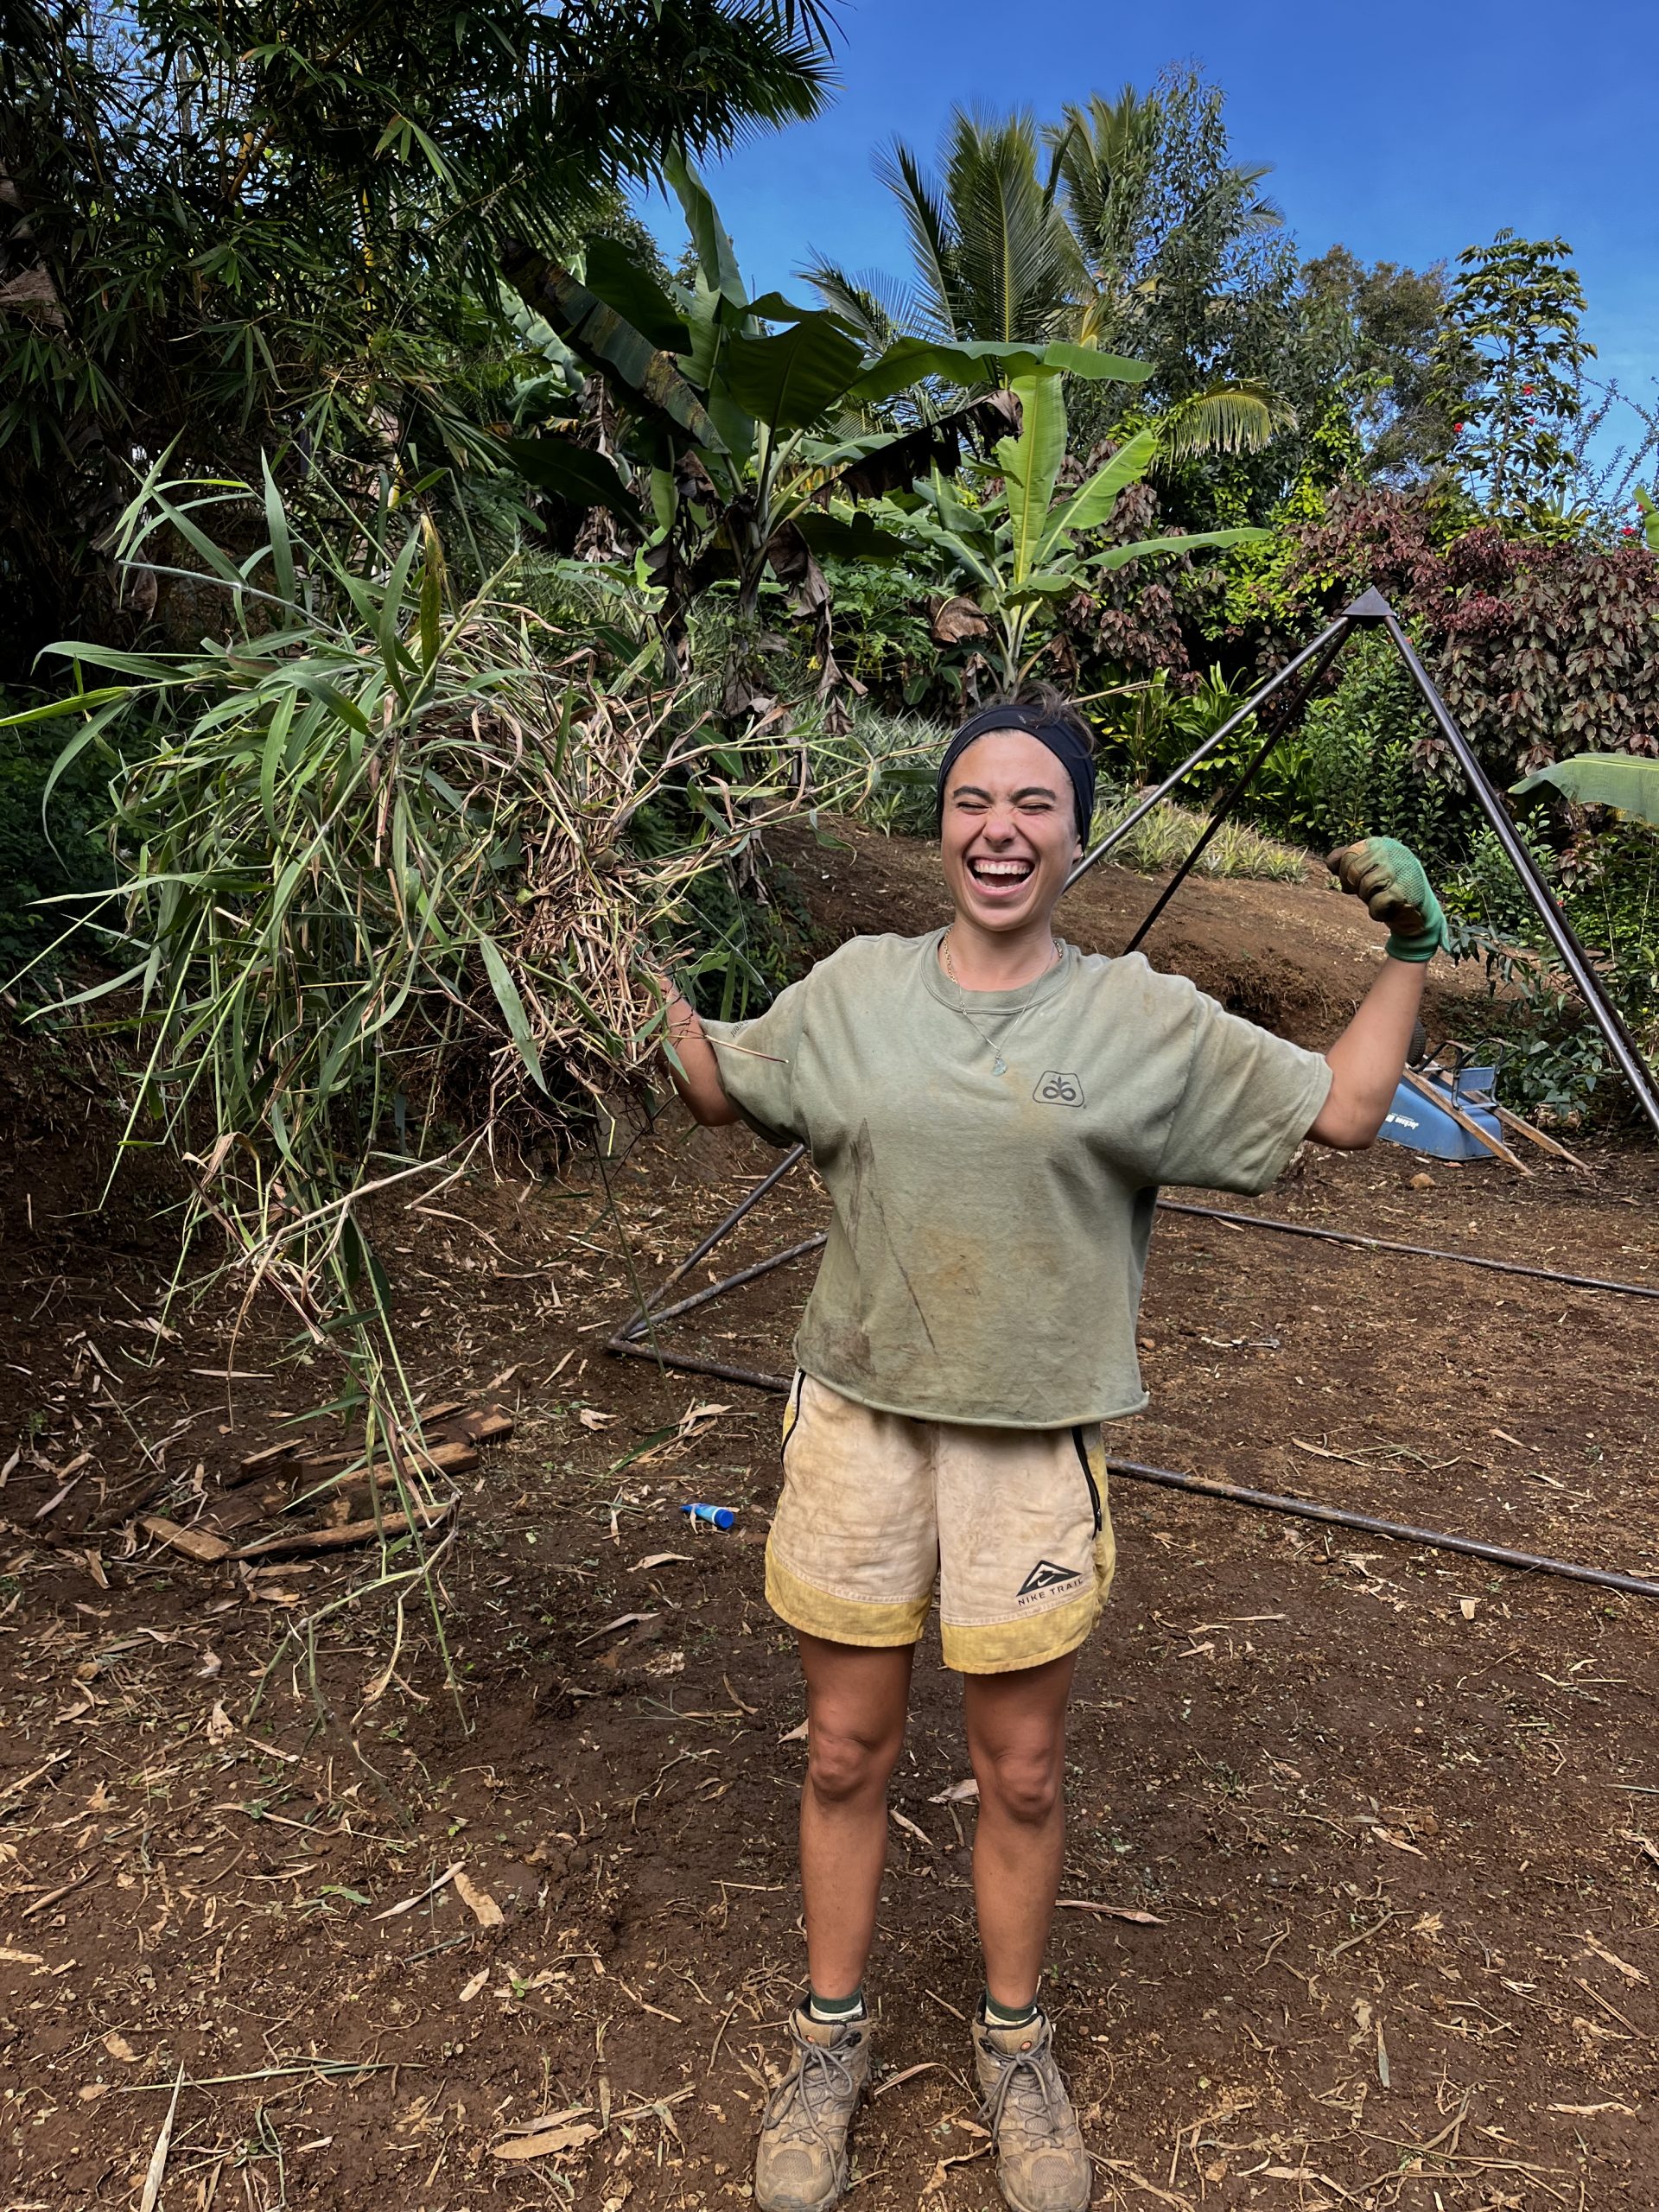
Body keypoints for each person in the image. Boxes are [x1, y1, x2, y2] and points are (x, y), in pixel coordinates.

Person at [656, 686, 1442, 2212]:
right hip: (861, 1425)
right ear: (942, 822)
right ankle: (830, 2042)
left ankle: (1015, 2047)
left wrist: (1410, 951)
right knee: (844, 1749)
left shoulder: (1139, 1020)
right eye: (973, 800)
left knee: (1018, 1771)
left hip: (1030, 1447)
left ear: (1076, 836)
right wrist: (600, 946)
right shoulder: (857, 991)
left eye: (1033, 805)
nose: (999, 830)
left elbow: (1348, 1111)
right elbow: (715, 1083)